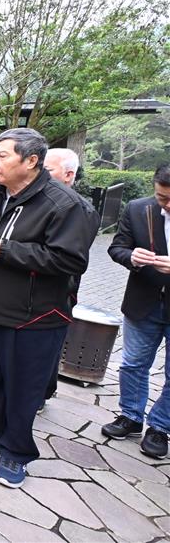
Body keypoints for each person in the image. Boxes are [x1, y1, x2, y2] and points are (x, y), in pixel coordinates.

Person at [0, 128, 94, 489]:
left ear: (31, 161)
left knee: (23, 388)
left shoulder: (64, 204)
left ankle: (16, 451)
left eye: (2, 156)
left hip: (36, 317)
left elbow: (69, 260)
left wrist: (2, 249)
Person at [102, 163, 170, 460]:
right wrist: (132, 256)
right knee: (132, 364)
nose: (166, 205)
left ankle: (160, 426)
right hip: (143, 302)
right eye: (162, 198)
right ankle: (130, 416)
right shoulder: (137, 209)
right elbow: (117, 247)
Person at [41, 147, 101, 410]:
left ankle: (43, 391)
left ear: (68, 174)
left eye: (47, 171)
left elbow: (69, 260)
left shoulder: (78, 210)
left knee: (46, 347)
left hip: (54, 294)